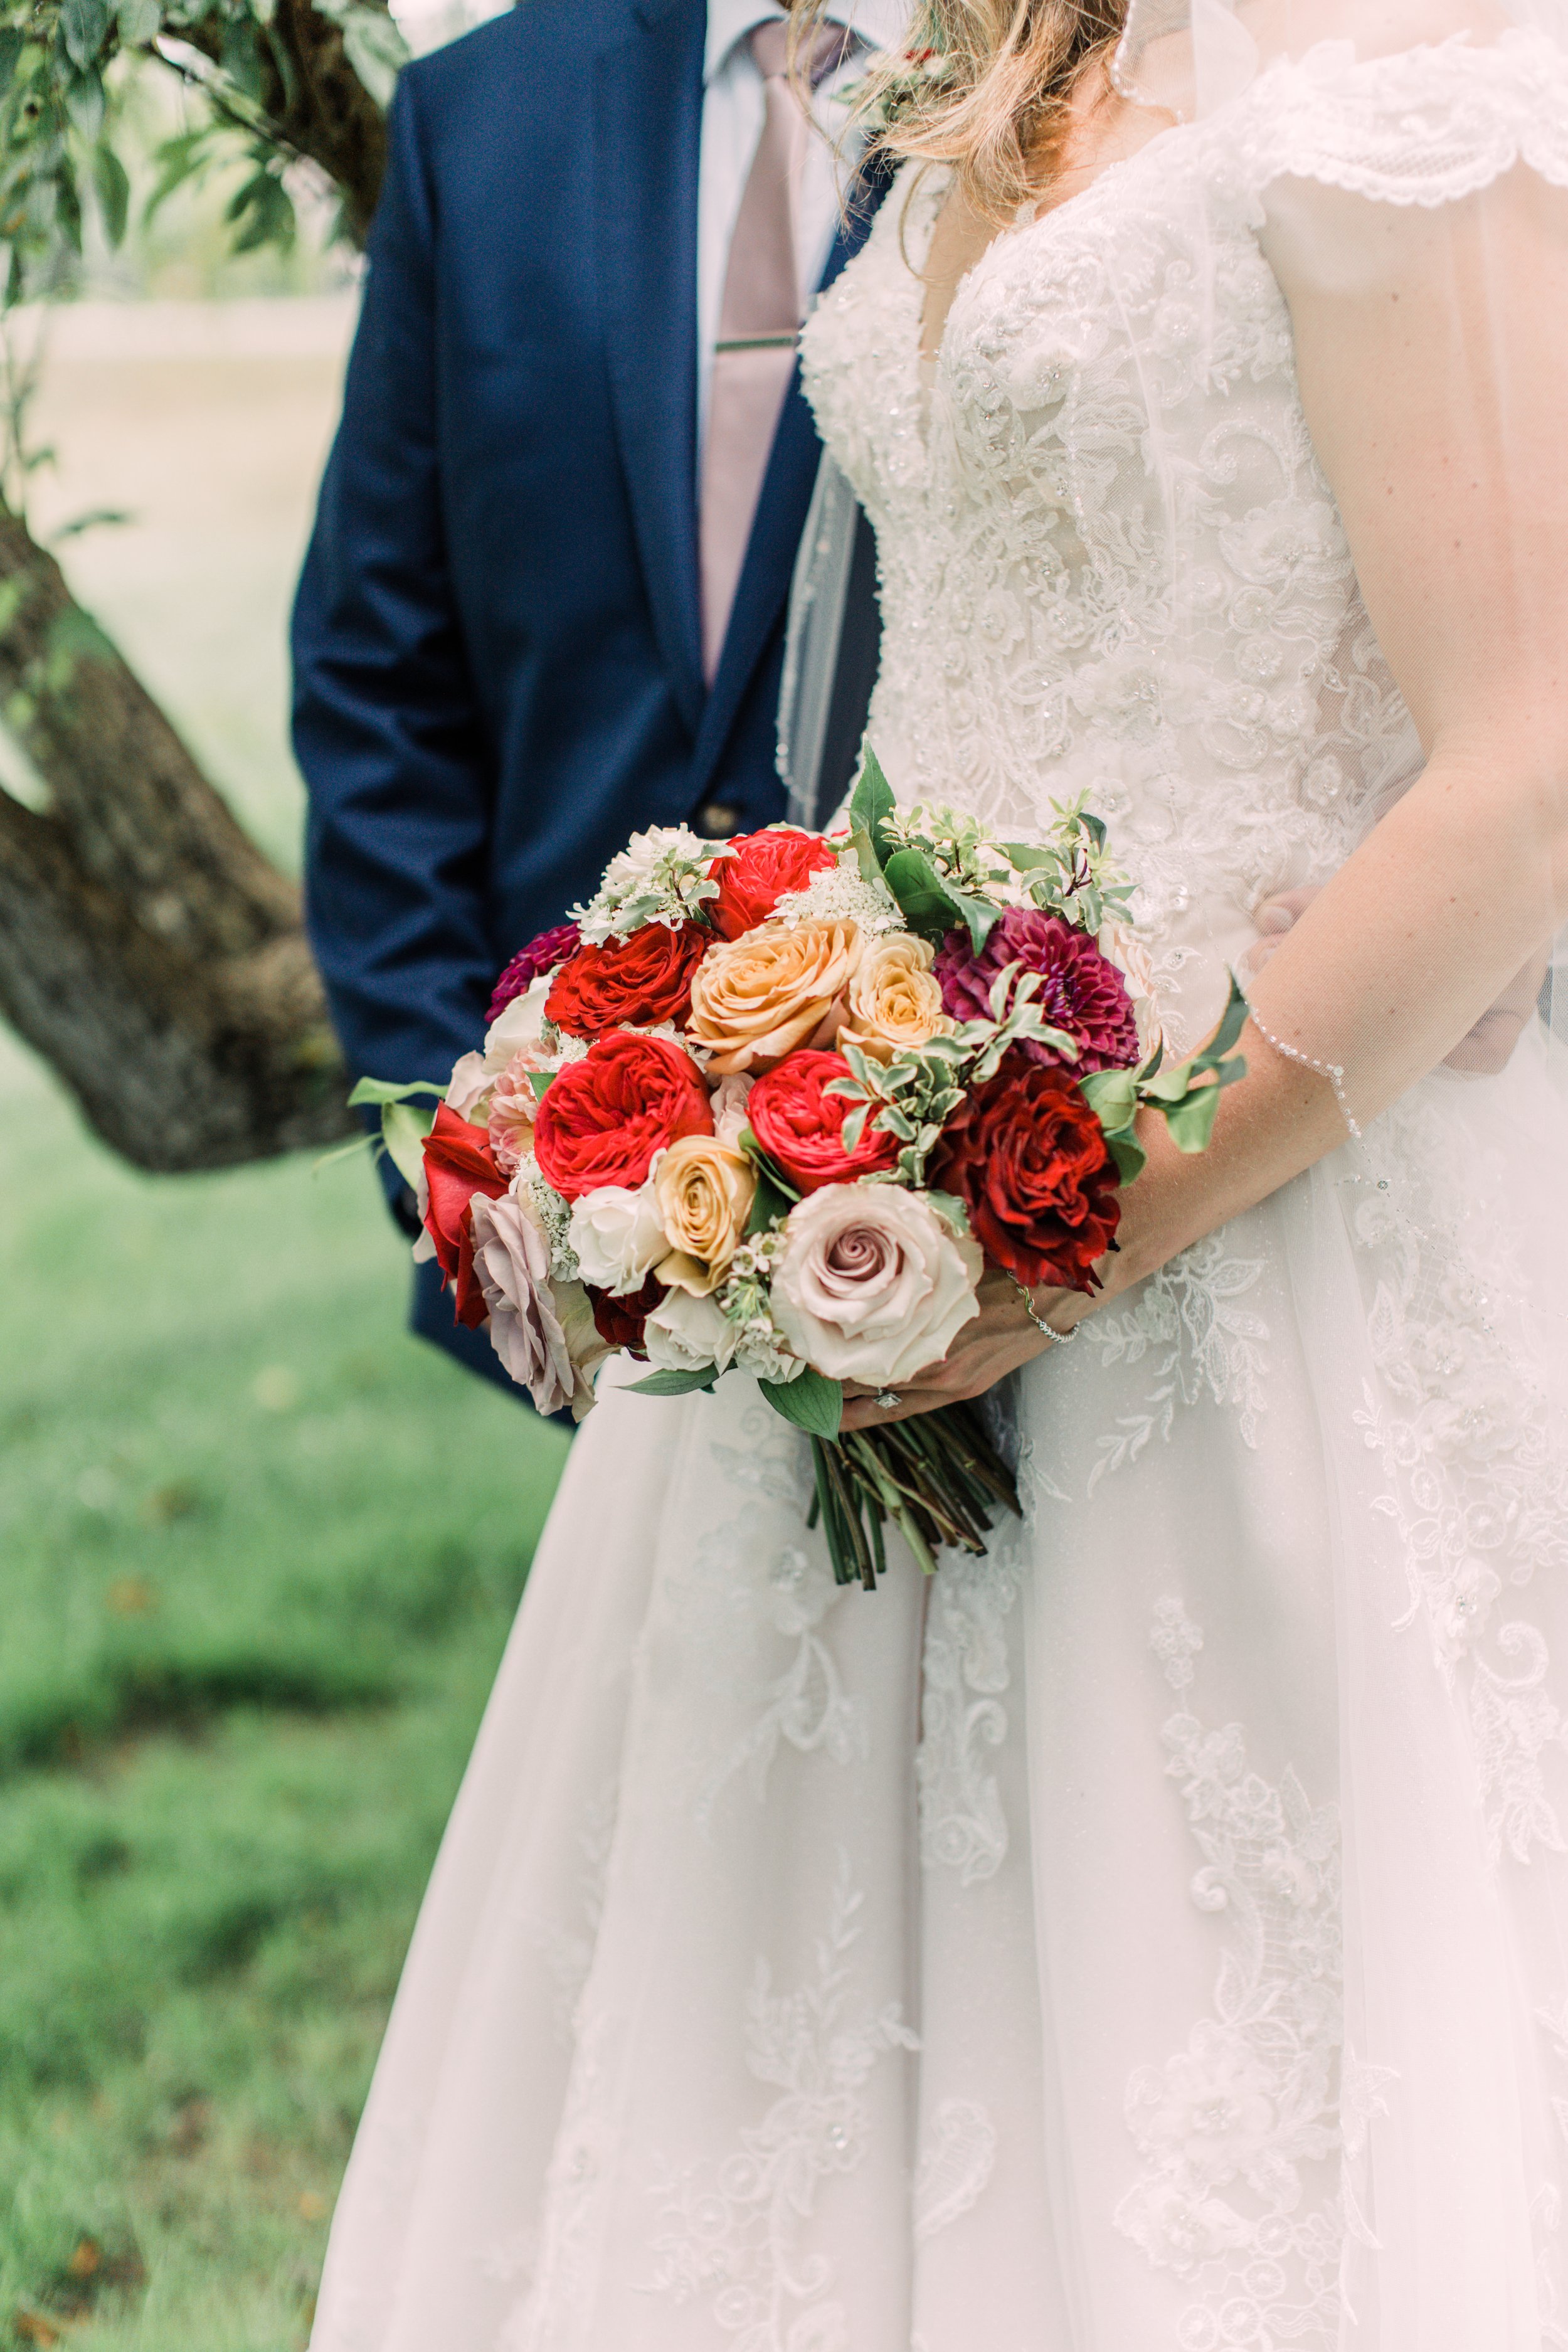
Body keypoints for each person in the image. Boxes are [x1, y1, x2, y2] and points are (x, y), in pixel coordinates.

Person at [308, 0, 1568, 2342]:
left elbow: (1520, 774)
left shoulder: (1412, 45)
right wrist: (756, 1096)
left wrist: (1084, 1231)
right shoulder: (1002, 37)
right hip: (872, 1208)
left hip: (1262, 1245)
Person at [292, 0, 898, 1395]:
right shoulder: (477, 114)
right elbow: (376, 666)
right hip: (585, 1233)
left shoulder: (1070, 80)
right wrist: (468, 1165)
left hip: (981, 1203)